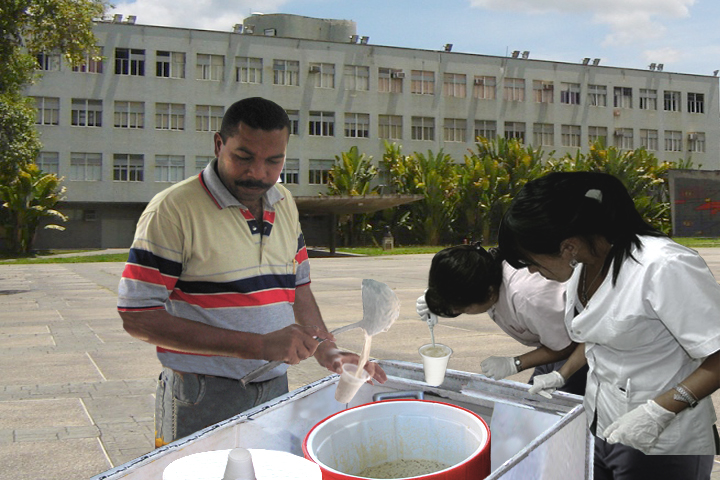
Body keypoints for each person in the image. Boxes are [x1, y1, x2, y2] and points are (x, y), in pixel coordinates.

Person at [117, 97, 386, 447]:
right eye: (244, 157)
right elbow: (138, 317)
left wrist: (326, 350)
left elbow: (298, 288)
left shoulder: (284, 203)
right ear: (218, 144)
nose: (259, 173)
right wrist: (259, 345)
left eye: (274, 161)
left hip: (275, 385)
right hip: (203, 392)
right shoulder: (173, 210)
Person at [499, 171, 719, 478]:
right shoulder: (586, 267)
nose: (533, 272)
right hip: (603, 426)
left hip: (664, 440)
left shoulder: (663, 266)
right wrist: (562, 376)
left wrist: (660, 410)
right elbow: (598, 336)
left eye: (533, 262)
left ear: (568, 246)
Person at [415, 243, 586, 395]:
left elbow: (568, 346)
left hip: (582, 349)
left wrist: (516, 363)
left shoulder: (527, 300)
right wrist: (436, 299)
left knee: (557, 411)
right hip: (553, 341)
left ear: (489, 293)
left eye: (463, 309)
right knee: (531, 402)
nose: (455, 311)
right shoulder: (482, 272)